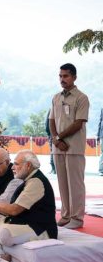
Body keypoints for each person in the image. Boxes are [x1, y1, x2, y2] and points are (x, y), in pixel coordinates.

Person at [0, 150, 57, 257]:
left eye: (16, 164)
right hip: (22, 222)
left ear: (28, 165)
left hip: (40, 228)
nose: (13, 167)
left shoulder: (36, 181)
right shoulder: (29, 179)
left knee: (5, 234)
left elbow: (13, 210)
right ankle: (1, 255)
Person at [49, 63, 89, 229]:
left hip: (74, 148)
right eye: (60, 76)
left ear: (74, 77)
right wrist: (56, 140)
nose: (62, 79)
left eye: (65, 76)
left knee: (75, 184)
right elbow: (51, 120)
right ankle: (66, 216)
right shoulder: (56, 97)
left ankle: (77, 218)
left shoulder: (81, 98)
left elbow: (79, 123)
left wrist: (59, 137)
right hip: (58, 147)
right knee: (62, 183)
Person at [45, 109, 56, 174]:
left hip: (53, 135)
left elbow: (46, 125)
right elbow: (47, 125)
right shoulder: (52, 110)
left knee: (53, 151)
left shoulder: (52, 110)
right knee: (53, 152)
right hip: (54, 135)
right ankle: (54, 168)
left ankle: (54, 169)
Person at [97, 108, 103, 176]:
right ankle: (101, 170)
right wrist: (98, 136)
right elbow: (100, 122)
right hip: (102, 135)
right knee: (102, 153)